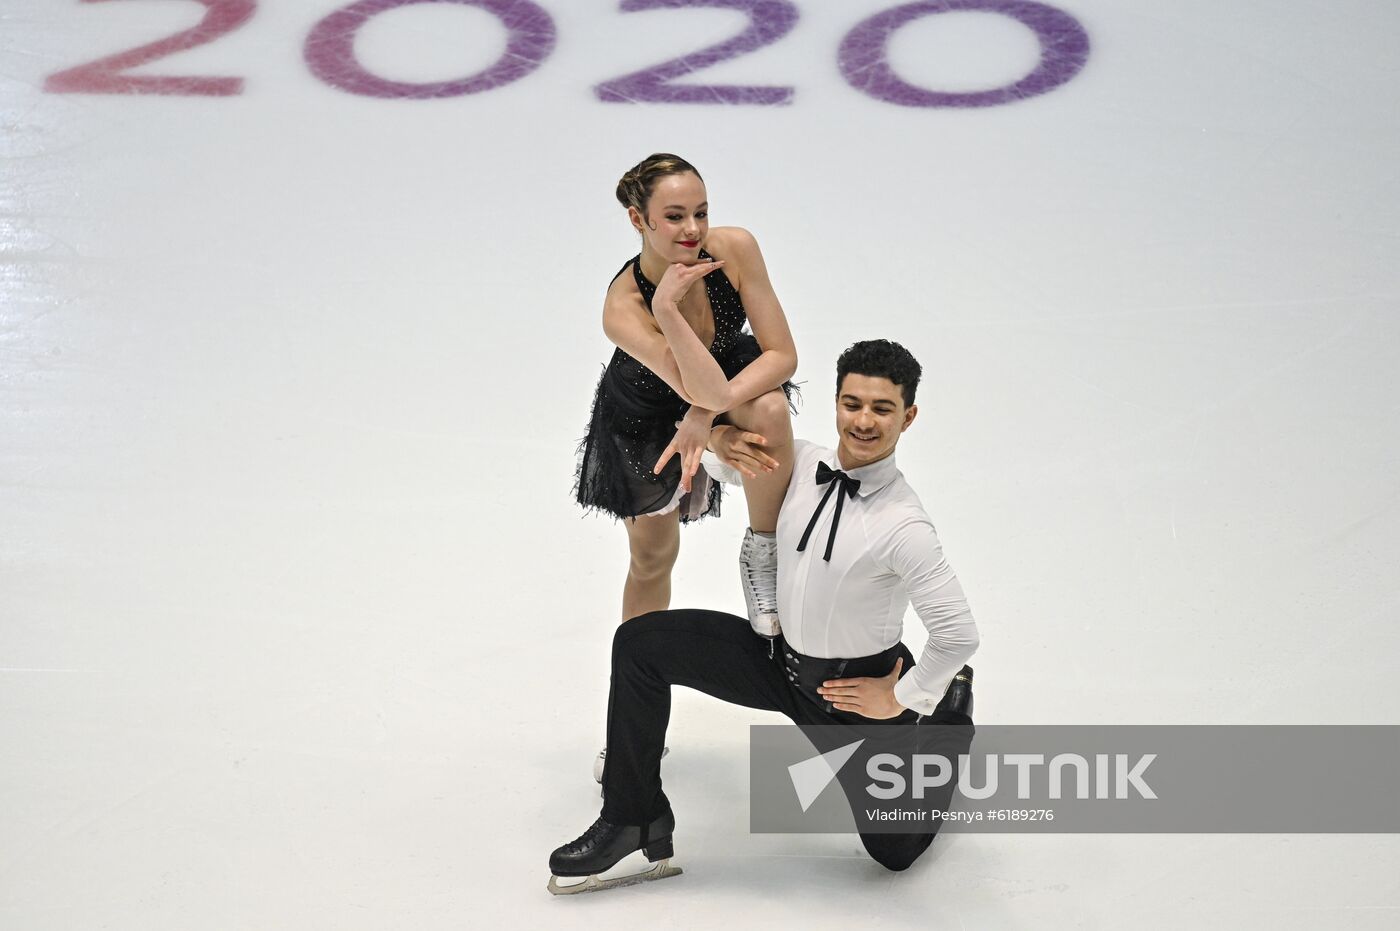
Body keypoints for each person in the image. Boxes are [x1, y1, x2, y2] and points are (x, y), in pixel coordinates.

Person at [549, 340, 980, 894]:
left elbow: (957, 634)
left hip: (851, 696)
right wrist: (718, 437)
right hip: (774, 660)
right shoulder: (798, 462)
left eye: (882, 408)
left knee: (893, 852)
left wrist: (901, 697)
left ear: (908, 416)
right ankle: (634, 817)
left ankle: (949, 720)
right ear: (836, 402)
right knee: (640, 644)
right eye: (852, 404)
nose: (863, 421)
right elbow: (713, 460)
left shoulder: (905, 526)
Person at [574, 153, 799, 635]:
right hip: (645, 419)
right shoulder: (623, 309)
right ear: (639, 220)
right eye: (675, 216)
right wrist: (667, 311)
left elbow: (782, 355)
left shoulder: (735, 249)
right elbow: (705, 389)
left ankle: (764, 551)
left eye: (701, 212)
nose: (693, 229)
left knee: (769, 407)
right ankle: (637, 660)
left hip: (715, 385)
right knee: (653, 557)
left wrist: (704, 421)